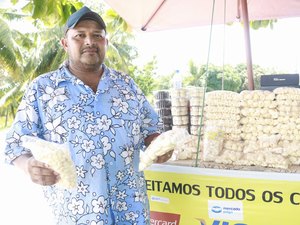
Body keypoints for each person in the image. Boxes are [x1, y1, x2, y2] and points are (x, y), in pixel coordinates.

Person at [4, 6, 173, 225]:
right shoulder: (43, 89)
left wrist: (160, 146)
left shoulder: (126, 85)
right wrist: (28, 166)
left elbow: (151, 131)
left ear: (106, 43)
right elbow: (15, 144)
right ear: (65, 43)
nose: (89, 41)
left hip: (132, 211)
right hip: (78, 214)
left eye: (97, 36)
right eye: (79, 35)